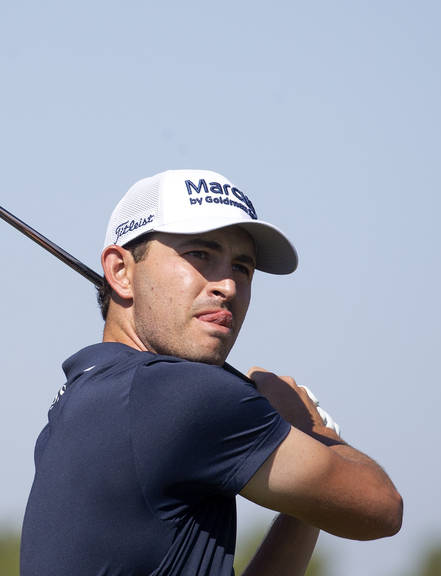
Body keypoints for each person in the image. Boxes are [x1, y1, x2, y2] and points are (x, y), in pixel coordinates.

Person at [20, 169, 402, 575]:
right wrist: (310, 427)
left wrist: (307, 504)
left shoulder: (85, 397)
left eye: (242, 267)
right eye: (200, 255)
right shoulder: (180, 393)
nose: (229, 287)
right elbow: (381, 508)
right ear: (120, 272)